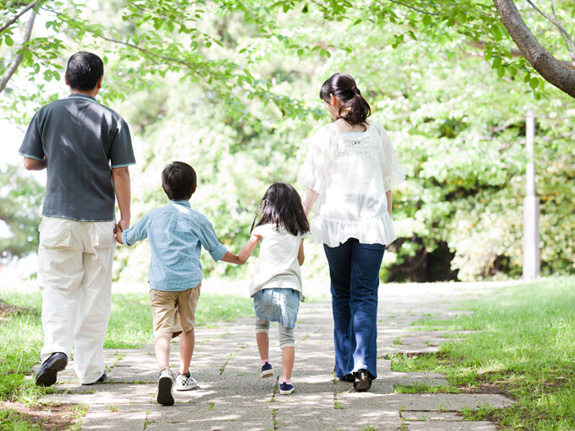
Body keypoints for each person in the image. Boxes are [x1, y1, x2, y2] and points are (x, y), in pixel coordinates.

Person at [18, 52, 134, 387]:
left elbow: (29, 162)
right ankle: (91, 370)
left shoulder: (46, 113)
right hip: (99, 222)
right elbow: (121, 172)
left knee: (57, 288)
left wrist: (52, 159)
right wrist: (124, 218)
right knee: (95, 295)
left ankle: (55, 349)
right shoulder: (112, 119)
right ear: (100, 82)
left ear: (66, 80)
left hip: (57, 220)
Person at [298, 73, 406, 392]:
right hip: (373, 224)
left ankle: (347, 365)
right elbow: (388, 185)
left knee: (342, 294)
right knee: (365, 295)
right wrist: (386, 220)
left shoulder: (326, 136)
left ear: (333, 100)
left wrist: (296, 224)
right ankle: (362, 367)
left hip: (336, 224)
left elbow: (312, 189)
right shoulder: (378, 133)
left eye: (325, 105)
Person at [120, 161, 242, 405]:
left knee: (162, 330)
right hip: (188, 283)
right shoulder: (198, 219)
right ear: (194, 188)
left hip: (161, 283)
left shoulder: (154, 215)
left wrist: (118, 232)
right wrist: (238, 259)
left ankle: (164, 370)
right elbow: (216, 251)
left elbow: (128, 238)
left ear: (165, 189)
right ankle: (183, 376)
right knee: (187, 327)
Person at [236, 183, 309, 395]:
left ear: (269, 205)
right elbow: (301, 260)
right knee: (287, 337)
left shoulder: (262, 229)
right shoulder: (299, 230)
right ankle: (286, 382)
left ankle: (265, 362)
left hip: (264, 287)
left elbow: (243, 256)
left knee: (261, 324)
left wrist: (231, 256)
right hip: (289, 288)